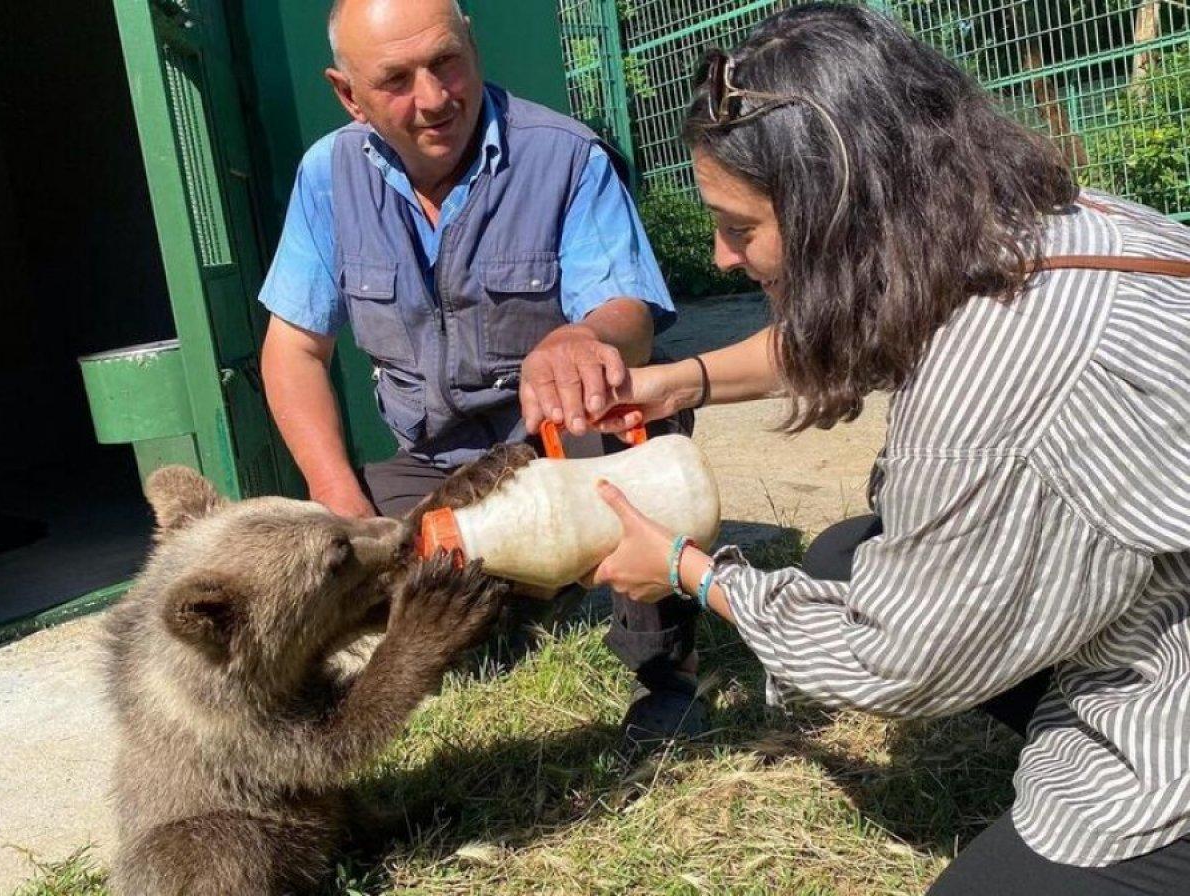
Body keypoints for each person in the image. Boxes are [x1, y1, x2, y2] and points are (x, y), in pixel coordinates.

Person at [588, 5, 1190, 893]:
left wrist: (694, 574)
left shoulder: (987, 386)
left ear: (837, 213)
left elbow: (897, 659)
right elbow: (850, 334)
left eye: (740, 228)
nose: (720, 258)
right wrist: (671, 385)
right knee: (843, 557)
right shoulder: (1037, 225)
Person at [257, 0, 703, 749]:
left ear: (473, 46)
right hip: (431, 465)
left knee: (627, 410)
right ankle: (517, 600)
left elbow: (627, 314)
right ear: (347, 94)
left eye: (446, 63)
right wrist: (339, 505)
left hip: (550, 451)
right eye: (395, 79)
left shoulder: (565, 157)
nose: (432, 98)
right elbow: (293, 350)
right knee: (369, 592)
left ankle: (664, 674)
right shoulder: (326, 178)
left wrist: (580, 336)